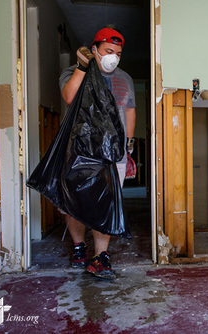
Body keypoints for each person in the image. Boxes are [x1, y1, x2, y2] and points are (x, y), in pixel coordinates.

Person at [59, 26, 136, 279]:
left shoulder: (125, 79)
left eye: (118, 53)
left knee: (107, 203)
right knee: (75, 201)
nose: (113, 56)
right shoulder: (73, 72)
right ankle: (80, 248)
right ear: (95, 50)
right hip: (80, 151)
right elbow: (69, 97)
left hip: (113, 153)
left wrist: (129, 145)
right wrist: (82, 67)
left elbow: (130, 111)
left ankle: (100, 255)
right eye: (108, 51)